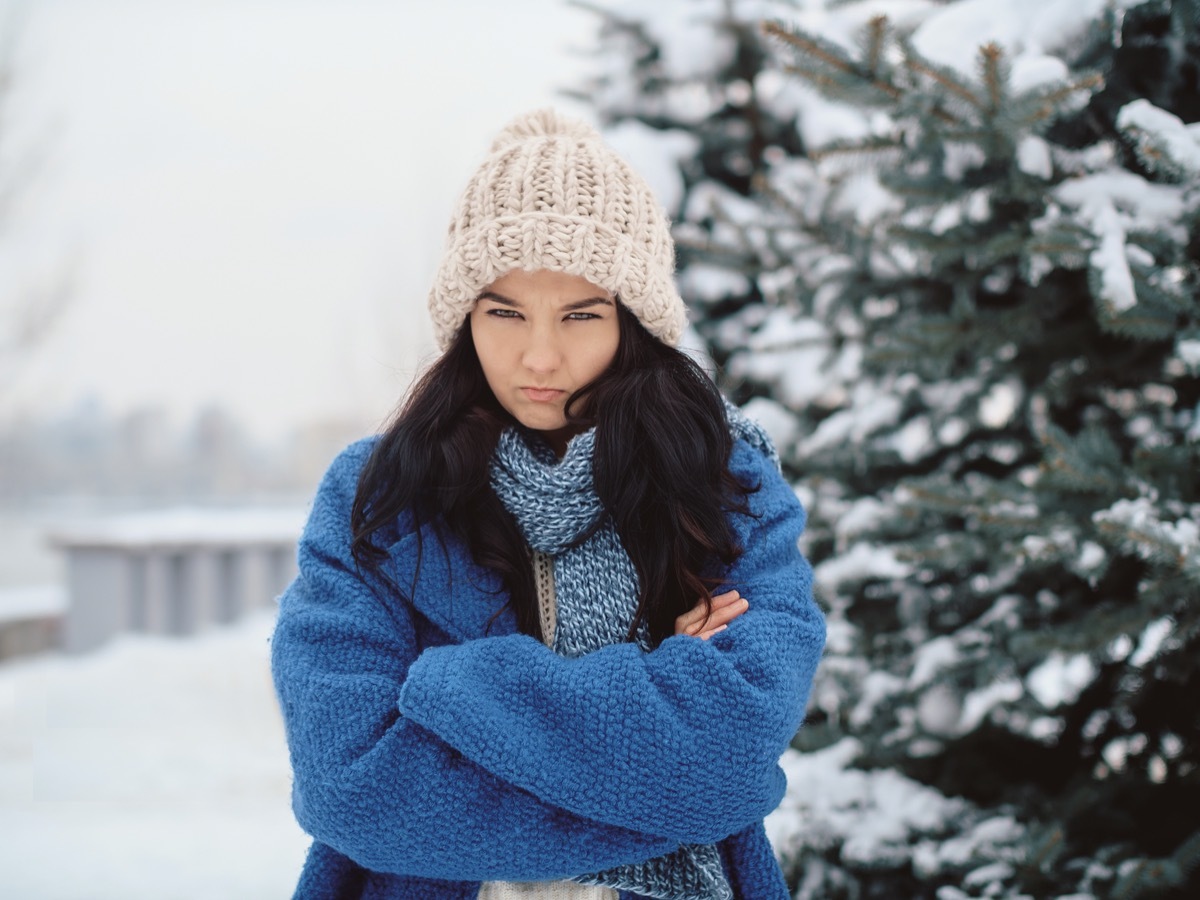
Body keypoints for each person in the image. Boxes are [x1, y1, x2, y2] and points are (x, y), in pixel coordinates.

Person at [270, 108, 826, 900]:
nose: (539, 356)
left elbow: (727, 753)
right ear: (463, 320)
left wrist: (452, 688)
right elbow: (351, 789)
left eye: (580, 315)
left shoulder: (726, 485)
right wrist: (661, 740)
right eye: (504, 313)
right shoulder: (375, 499)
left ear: (634, 323)